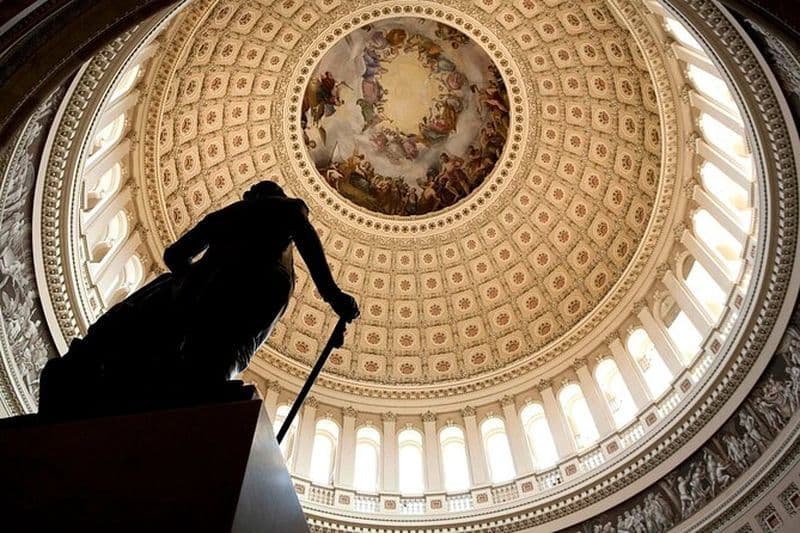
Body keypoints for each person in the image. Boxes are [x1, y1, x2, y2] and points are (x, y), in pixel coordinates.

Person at [39, 181, 359, 416]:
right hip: (244, 303)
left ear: (253, 196)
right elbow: (307, 240)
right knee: (213, 366)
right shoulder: (285, 210)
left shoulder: (229, 215)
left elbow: (175, 253)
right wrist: (333, 296)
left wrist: (192, 279)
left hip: (194, 299)